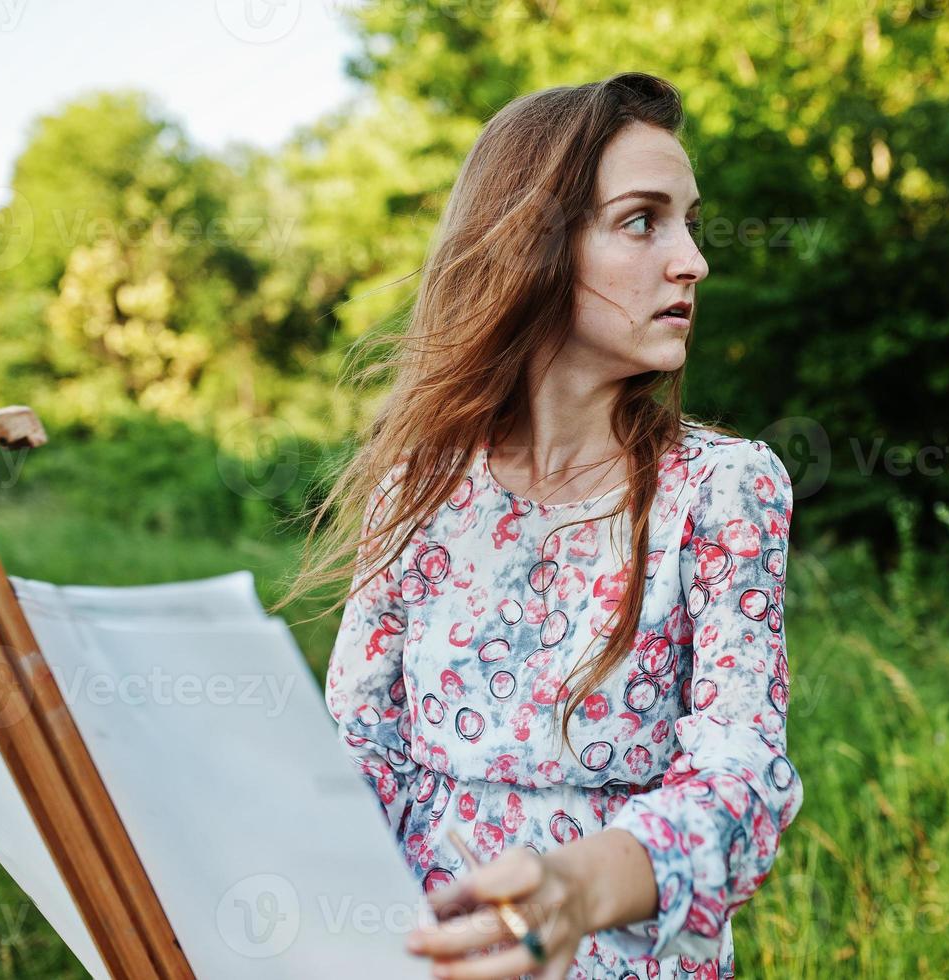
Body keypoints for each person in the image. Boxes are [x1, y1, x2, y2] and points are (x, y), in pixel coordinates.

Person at [280, 71, 802, 980]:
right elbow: (364, 755)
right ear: (533, 244)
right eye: (643, 220)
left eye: (687, 222)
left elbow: (739, 784)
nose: (691, 260)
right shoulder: (421, 485)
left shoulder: (722, 489)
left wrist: (573, 885)